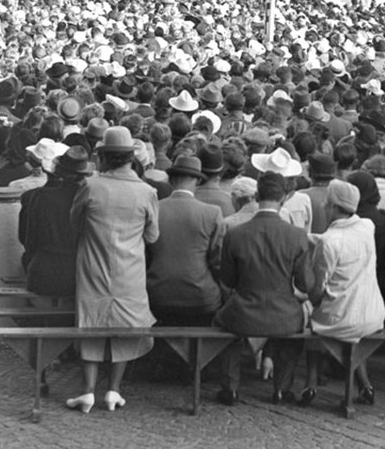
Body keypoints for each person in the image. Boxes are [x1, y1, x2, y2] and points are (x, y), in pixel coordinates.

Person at [66, 126, 159, 414]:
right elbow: (152, 235)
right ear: (131, 157)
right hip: (130, 269)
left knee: (91, 322)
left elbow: (74, 223)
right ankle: (114, 390)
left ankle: (87, 391)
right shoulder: (147, 191)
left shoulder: (91, 187)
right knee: (125, 327)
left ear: (104, 157)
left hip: (93, 265)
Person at [215, 170, 310, 405]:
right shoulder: (297, 235)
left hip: (242, 313)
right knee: (295, 336)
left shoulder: (236, 234)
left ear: (257, 195)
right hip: (285, 314)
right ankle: (281, 387)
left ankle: (230, 386)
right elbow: (306, 284)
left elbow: (227, 280)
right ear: (284, 198)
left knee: (221, 327)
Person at [298, 178, 385, 407]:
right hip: (372, 313)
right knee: (351, 322)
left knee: (314, 318)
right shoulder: (367, 227)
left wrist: (309, 300)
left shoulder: (329, 242)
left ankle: (310, 384)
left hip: (341, 318)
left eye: (328, 203)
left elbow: (318, 288)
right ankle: (365, 384)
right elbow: (347, 241)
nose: (324, 206)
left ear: (336, 208)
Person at [146, 154, 224, 326]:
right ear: (197, 181)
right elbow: (218, 261)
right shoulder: (212, 213)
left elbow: (146, 253)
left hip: (157, 294)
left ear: (172, 180)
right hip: (201, 297)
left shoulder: (155, 209)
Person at [18, 146, 89, 298]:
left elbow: (28, 241)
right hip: (80, 276)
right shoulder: (90, 200)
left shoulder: (40, 196)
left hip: (43, 275)